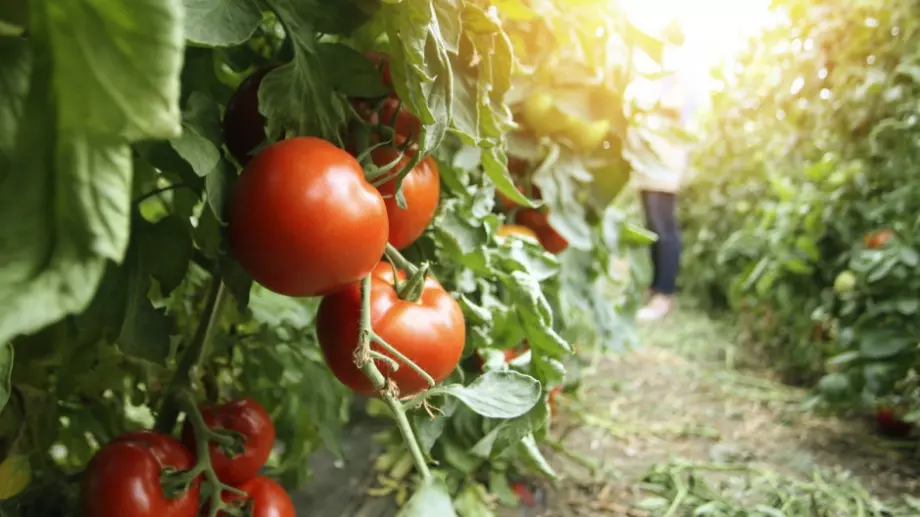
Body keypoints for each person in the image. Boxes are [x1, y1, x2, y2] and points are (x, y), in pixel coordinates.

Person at [630, 19, 702, 322]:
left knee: (664, 226)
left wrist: (639, 104)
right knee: (653, 224)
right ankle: (655, 289)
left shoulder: (682, 72)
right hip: (651, 158)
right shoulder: (666, 74)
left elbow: (673, 107)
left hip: (666, 158)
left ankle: (665, 293)